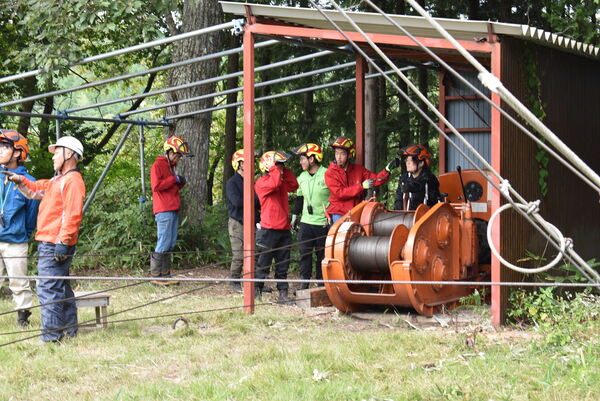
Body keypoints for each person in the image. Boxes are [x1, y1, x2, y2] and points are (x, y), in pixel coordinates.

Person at [4, 136, 85, 343]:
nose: (53, 157)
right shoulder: (58, 180)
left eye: (57, 152)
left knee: (48, 288)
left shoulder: (72, 181)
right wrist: (19, 179)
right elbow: (35, 189)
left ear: (69, 154)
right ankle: (69, 329)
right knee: (61, 285)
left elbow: (72, 214)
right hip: (52, 241)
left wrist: (63, 242)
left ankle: (51, 337)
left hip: (55, 242)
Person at [0, 130, 39, 327]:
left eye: (5, 147)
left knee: (18, 282)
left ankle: (23, 318)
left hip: (15, 240)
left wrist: (24, 232)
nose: (0, 150)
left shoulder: (27, 180)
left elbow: (32, 214)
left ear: (17, 152)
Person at [254, 150, 298, 303]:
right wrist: (274, 168)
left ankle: (283, 294)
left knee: (283, 265)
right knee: (263, 264)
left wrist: (283, 168)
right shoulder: (262, 182)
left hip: (284, 230)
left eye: (281, 165)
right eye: (277, 165)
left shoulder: (280, 180)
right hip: (268, 230)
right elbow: (274, 183)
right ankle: (257, 292)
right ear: (268, 166)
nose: (279, 168)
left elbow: (294, 184)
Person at [324, 136, 399, 223]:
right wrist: (361, 186)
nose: (339, 157)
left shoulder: (359, 170)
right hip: (338, 213)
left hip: (356, 212)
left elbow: (376, 180)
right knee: (340, 235)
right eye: (337, 153)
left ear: (350, 155)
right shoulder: (330, 173)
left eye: (342, 154)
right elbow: (340, 193)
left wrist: (387, 170)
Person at [149, 135, 191, 286]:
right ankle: (155, 275)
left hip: (172, 208)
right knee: (164, 241)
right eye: (177, 155)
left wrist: (180, 183)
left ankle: (165, 274)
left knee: (171, 242)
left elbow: (169, 187)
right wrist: (174, 179)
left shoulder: (171, 167)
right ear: (169, 152)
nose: (178, 158)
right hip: (163, 209)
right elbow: (156, 186)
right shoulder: (157, 165)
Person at [291, 143, 329, 290]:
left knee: (322, 256)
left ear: (312, 159)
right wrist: (295, 216)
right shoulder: (301, 177)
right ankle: (304, 284)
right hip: (306, 222)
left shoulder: (327, 174)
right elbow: (299, 198)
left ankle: (321, 285)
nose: (301, 162)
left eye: (303, 159)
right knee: (304, 254)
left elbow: (336, 196)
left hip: (322, 223)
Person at [225, 149, 260, 292]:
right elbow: (237, 202)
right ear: (239, 164)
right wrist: (253, 200)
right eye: (246, 161)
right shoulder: (232, 183)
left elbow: (259, 201)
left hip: (252, 222)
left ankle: (254, 283)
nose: (251, 163)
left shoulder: (252, 181)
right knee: (239, 254)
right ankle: (234, 281)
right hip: (237, 223)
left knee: (255, 254)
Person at [394, 144, 441, 211]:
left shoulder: (430, 178)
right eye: (406, 160)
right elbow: (399, 199)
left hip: (426, 217)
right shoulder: (404, 178)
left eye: (411, 160)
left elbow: (420, 184)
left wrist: (410, 187)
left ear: (421, 163)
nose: (407, 163)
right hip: (406, 218)